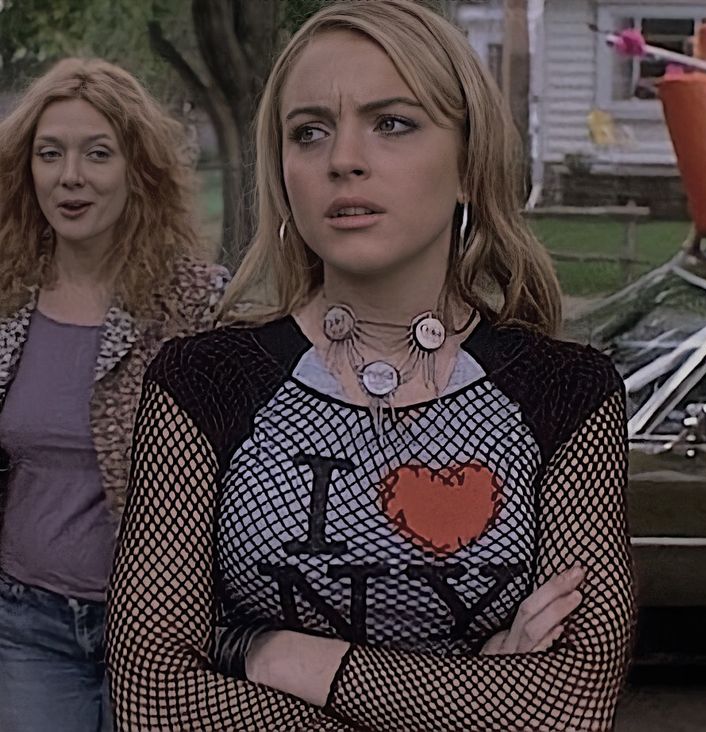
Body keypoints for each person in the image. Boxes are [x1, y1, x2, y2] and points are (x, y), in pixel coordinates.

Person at [106, 1, 635, 730]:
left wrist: (277, 656)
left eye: (391, 123)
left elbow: (570, 703)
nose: (341, 158)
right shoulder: (203, 383)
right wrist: (472, 699)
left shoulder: (565, 393)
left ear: (467, 166)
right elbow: (151, 694)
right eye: (309, 132)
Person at [0, 58, 228, 732]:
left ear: (137, 170)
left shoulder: (196, 304)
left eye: (98, 154)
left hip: (163, 630)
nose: (71, 176)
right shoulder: (7, 300)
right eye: (51, 154)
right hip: (26, 624)